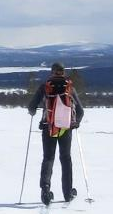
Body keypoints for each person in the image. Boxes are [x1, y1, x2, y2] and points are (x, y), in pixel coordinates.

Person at [27, 62, 84, 204]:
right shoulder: (69, 87)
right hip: (66, 128)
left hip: (48, 127)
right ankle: (67, 193)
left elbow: (31, 107)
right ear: (63, 72)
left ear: (52, 72)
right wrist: (76, 122)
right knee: (66, 159)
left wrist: (33, 111)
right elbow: (81, 110)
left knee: (48, 158)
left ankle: (45, 190)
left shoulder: (45, 86)